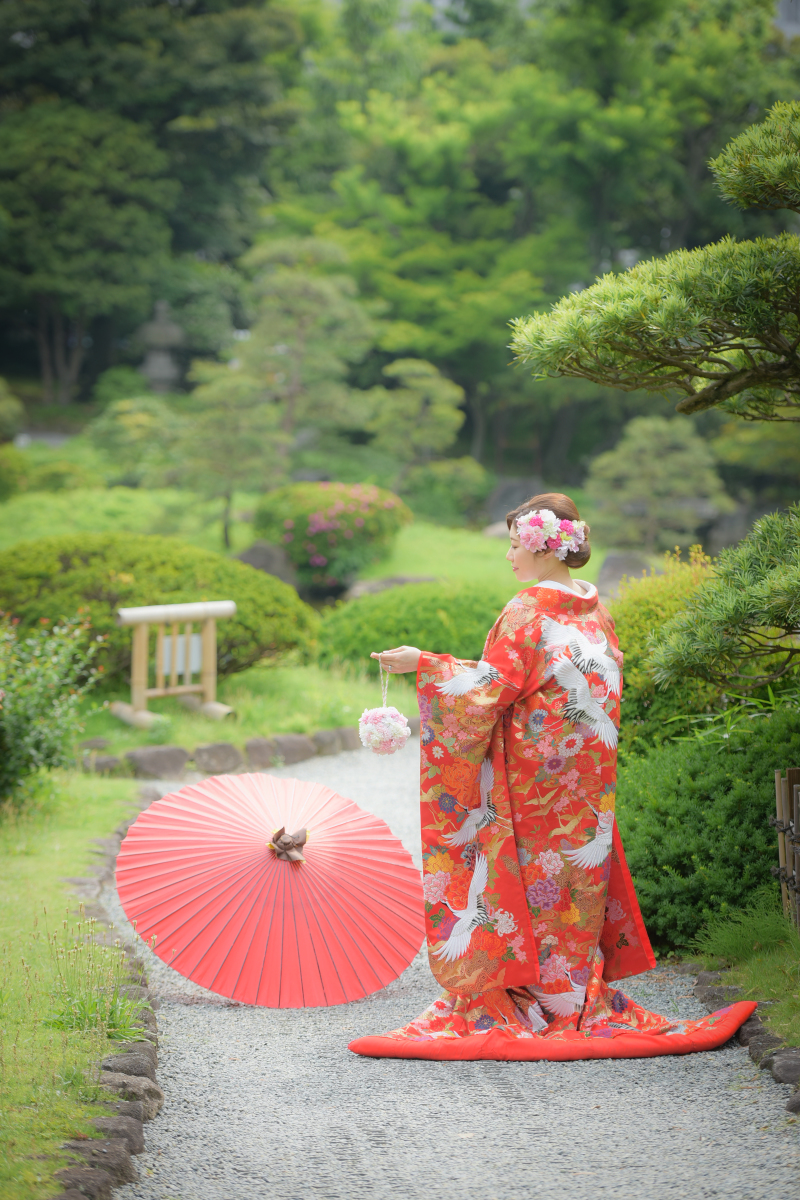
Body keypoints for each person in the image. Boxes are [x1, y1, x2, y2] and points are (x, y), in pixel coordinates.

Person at [349, 493, 755, 1061]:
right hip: (584, 774)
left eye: (515, 543)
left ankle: (529, 998)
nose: (510, 555)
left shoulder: (527, 609)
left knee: (532, 878)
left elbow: (493, 686)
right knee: (570, 880)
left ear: (541, 546)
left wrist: (426, 663)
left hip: (534, 777)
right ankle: (569, 999)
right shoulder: (592, 605)